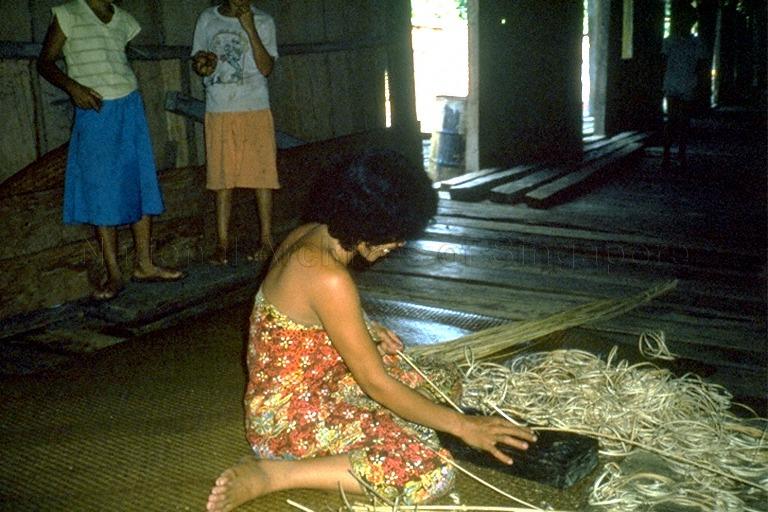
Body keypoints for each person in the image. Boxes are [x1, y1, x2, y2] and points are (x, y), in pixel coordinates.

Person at [205, 150, 537, 511]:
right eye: (396, 236)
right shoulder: (330, 278)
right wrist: (464, 426)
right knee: (429, 469)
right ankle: (274, 474)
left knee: (442, 378)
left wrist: (368, 327)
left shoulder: (311, 234)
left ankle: (381, 434)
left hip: (321, 381)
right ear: (369, 225)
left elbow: (307, 314)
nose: (400, 245)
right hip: (287, 419)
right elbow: (375, 382)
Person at [37, 0, 184, 300]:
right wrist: (74, 88)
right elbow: (45, 63)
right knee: (102, 188)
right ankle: (114, 272)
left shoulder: (124, 19)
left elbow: (116, 60)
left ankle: (144, 264)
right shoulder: (68, 14)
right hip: (95, 107)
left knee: (140, 182)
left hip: (129, 104)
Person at [191, 0, 280, 265]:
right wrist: (203, 64)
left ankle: (266, 241)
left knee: (262, 176)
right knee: (222, 179)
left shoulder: (263, 21)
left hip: (254, 105)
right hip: (219, 107)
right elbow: (200, 62)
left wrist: (249, 28)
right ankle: (222, 245)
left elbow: (266, 68)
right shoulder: (207, 18)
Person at [661, 9, 709, 170]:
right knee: (676, 122)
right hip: (678, 85)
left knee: (678, 122)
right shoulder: (690, 43)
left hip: (684, 85)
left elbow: (702, 68)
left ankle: (675, 155)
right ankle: (671, 155)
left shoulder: (675, 42)